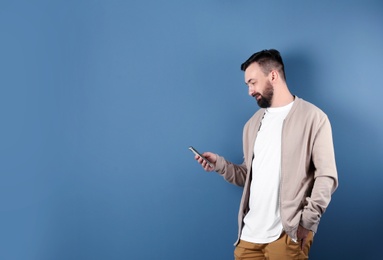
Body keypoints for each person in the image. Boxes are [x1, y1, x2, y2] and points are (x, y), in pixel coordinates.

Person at [194, 49, 338, 259]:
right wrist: (219, 164)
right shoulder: (252, 124)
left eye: (253, 82)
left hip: (287, 235)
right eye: (248, 85)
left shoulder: (314, 118)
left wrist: (307, 223)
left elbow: (326, 177)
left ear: (273, 75)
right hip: (249, 237)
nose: (250, 91)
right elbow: (247, 175)